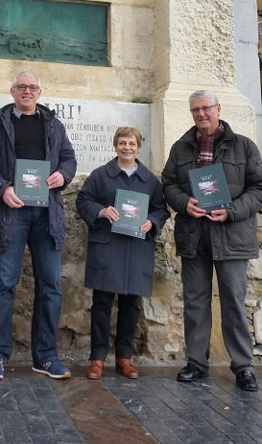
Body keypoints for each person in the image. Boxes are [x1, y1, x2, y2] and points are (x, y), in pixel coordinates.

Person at [0, 70, 76, 380]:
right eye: (21, 87)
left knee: (51, 286)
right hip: (9, 214)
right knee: (3, 282)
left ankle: (45, 356)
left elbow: (69, 158)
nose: (27, 92)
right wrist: (2, 188)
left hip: (47, 215)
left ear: (39, 93)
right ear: (12, 91)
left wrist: (63, 175)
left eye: (32, 87)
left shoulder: (54, 125)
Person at [162, 90, 262, 392]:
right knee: (195, 301)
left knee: (232, 300)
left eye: (206, 108)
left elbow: (258, 189)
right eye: (195, 110)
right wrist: (183, 203)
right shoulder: (181, 147)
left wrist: (231, 211)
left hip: (231, 234)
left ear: (218, 109)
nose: (201, 114)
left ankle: (243, 366)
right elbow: (168, 184)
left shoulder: (243, 146)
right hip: (194, 234)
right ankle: (196, 362)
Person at [76, 126, 169, 380]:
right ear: (115, 146)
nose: (127, 147)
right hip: (107, 246)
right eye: (122, 143)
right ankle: (97, 358)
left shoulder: (150, 181)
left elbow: (161, 209)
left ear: (139, 148)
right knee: (102, 304)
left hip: (136, 248)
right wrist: (102, 211)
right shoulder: (100, 175)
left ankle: (124, 358)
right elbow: (83, 200)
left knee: (130, 305)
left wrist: (152, 221)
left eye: (131, 143)